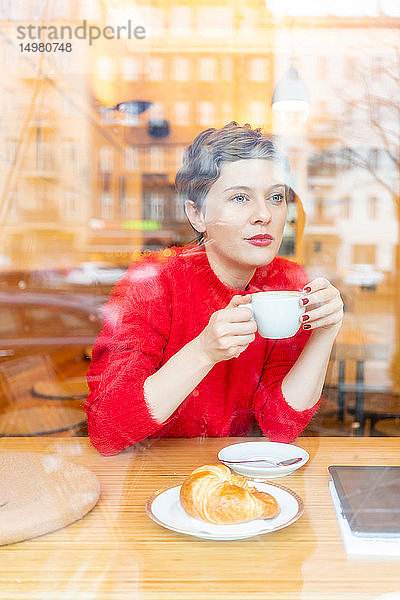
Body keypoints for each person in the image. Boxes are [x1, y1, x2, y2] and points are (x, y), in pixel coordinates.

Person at [85, 122, 343, 456]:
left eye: (276, 197)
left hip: (237, 475)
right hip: (153, 472)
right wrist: (204, 351)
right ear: (197, 213)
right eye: (240, 197)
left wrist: (326, 330)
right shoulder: (153, 281)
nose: (264, 215)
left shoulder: (288, 282)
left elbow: (281, 426)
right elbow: (108, 430)